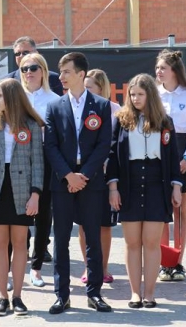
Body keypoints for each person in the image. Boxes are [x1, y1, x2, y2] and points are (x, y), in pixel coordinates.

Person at [44, 52, 113, 314]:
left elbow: (104, 145)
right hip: (63, 181)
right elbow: (50, 146)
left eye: (66, 72)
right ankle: (62, 295)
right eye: (60, 71)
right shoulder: (54, 106)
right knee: (61, 239)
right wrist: (68, 175)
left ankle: (94, 293)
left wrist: (83, 175)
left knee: (93, 237)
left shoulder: (101, 105)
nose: (61, 76)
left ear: (81, 74)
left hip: (90, 180)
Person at [107, 74, 182, 309]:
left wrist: (176, 187)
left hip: (156, 184)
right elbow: (112, 156)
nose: (136, 98)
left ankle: (149, 293)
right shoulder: (121, 120)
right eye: (132, 94)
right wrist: (113, 188)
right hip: (129, 183)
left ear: (150, 95)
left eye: (140, 94)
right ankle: (134, 293)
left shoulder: (165, 121)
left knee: (151, 242)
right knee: (132, 242)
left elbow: (173, 157)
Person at [0, 79, 45, 316]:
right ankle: (2, 297)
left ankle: (18, 296)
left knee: (20, 242)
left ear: (12, 97)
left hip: (22, 190)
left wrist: (35, 194)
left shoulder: (31, 124)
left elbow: (38, 163)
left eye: (0, 96)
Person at [155, 49, 186, 282]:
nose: (158, 71)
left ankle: (178, 262)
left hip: (183, 152)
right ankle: (165, 262)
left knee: (180, 208)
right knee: (163, 210)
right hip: (159, 153)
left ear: (174, 70)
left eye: (163, 68)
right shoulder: (154, 94)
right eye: (157, 68)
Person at [18, 52, 59, 288]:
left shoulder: (55, 100)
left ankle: (36, 267)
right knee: (17, 213)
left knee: (43, 214)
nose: (29, 73)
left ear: (43, 70)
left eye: (33, 68)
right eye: (24, 69)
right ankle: (16, 265)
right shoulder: (15, 97)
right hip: (18, 161)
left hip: (45, 160)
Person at [78, 68, 122, 285]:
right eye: (84, 87)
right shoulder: (79, 108)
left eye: (89, 87)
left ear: (101, 88)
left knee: (104, 225)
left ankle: (103, 268)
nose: (85, 90)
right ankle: (89, 267)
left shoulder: (116, 111)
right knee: (84, 224)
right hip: (84, 174)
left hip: (106, 176)